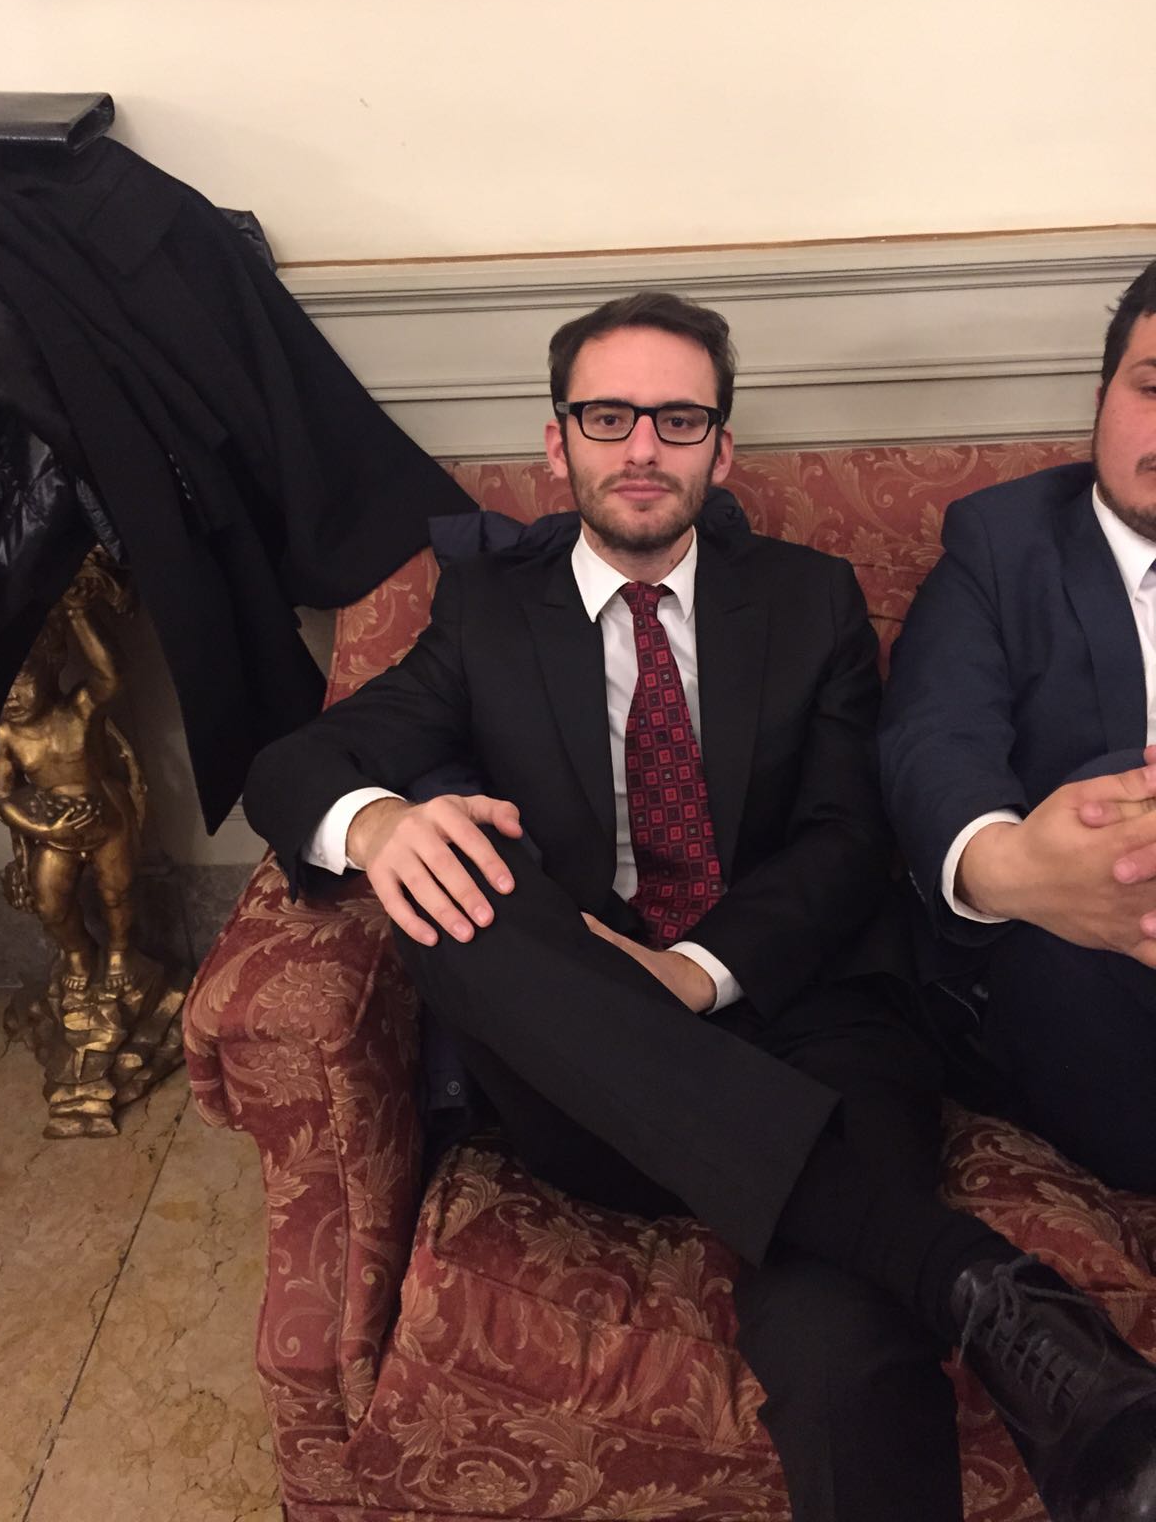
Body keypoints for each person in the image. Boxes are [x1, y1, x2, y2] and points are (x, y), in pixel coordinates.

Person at [246, 291, 1156, 1522]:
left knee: (849, 1354)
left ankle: (912, 1274)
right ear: (556, 442)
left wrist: (694, 971)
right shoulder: (489, 614)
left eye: (678, 420)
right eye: (607, 416)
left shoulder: (808, 599)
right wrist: (378, 825)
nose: (642, 448)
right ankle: (971, 1279)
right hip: (585, 1065)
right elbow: (293, 767)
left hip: (812, 1023)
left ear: (721, 450)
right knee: (454, 883)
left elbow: (849, 839)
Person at [880, 259, 1156, 1195]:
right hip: (1070, 971)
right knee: (1109, 790)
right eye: (1154, 388)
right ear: (1103, 396)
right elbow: (934, 739)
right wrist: (1017, 869)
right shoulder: (1003, 543)